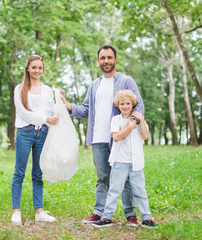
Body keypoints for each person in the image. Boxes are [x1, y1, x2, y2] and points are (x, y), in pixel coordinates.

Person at [60, 45, 145, 226]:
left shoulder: (126, 81)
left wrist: (130, 127)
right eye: (103, 58)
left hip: (119, 138)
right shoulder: (94, 85)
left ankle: (130, 215)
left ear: (115, 59)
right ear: (98, 61)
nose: (106, 61)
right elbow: (86, 110)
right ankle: (100, 213)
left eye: (109, 57)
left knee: (125, 177)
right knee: (103, 178)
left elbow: (138, 107)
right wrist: (68, 106)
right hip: (98, 138)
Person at [91, 90, 157, 228]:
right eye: (122, 104)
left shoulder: (139, 121)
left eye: (128, 103)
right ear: (118, 105)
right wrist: (130, 126)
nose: (125, 106)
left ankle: (147, 218)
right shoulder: (116, 120)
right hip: (120, 161)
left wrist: (141, 120)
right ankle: (106, 217)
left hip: (136, 162)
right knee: (114, 190)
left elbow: (145, 136)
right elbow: (116, 137)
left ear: (132, 104)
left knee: (140, 191)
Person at [11, 55, 59, 225]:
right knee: (19, 172)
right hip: (25, 132)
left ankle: (39, 211)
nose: (37, 70)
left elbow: (52, 109)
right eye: (34, 67)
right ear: (28, 69)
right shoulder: (20, 89)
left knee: (38, 173)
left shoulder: (47, 90)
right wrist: (45, 118)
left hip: (42, 133)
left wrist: (60, 100)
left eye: (40, 68)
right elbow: (24, 113)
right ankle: (16, 211)